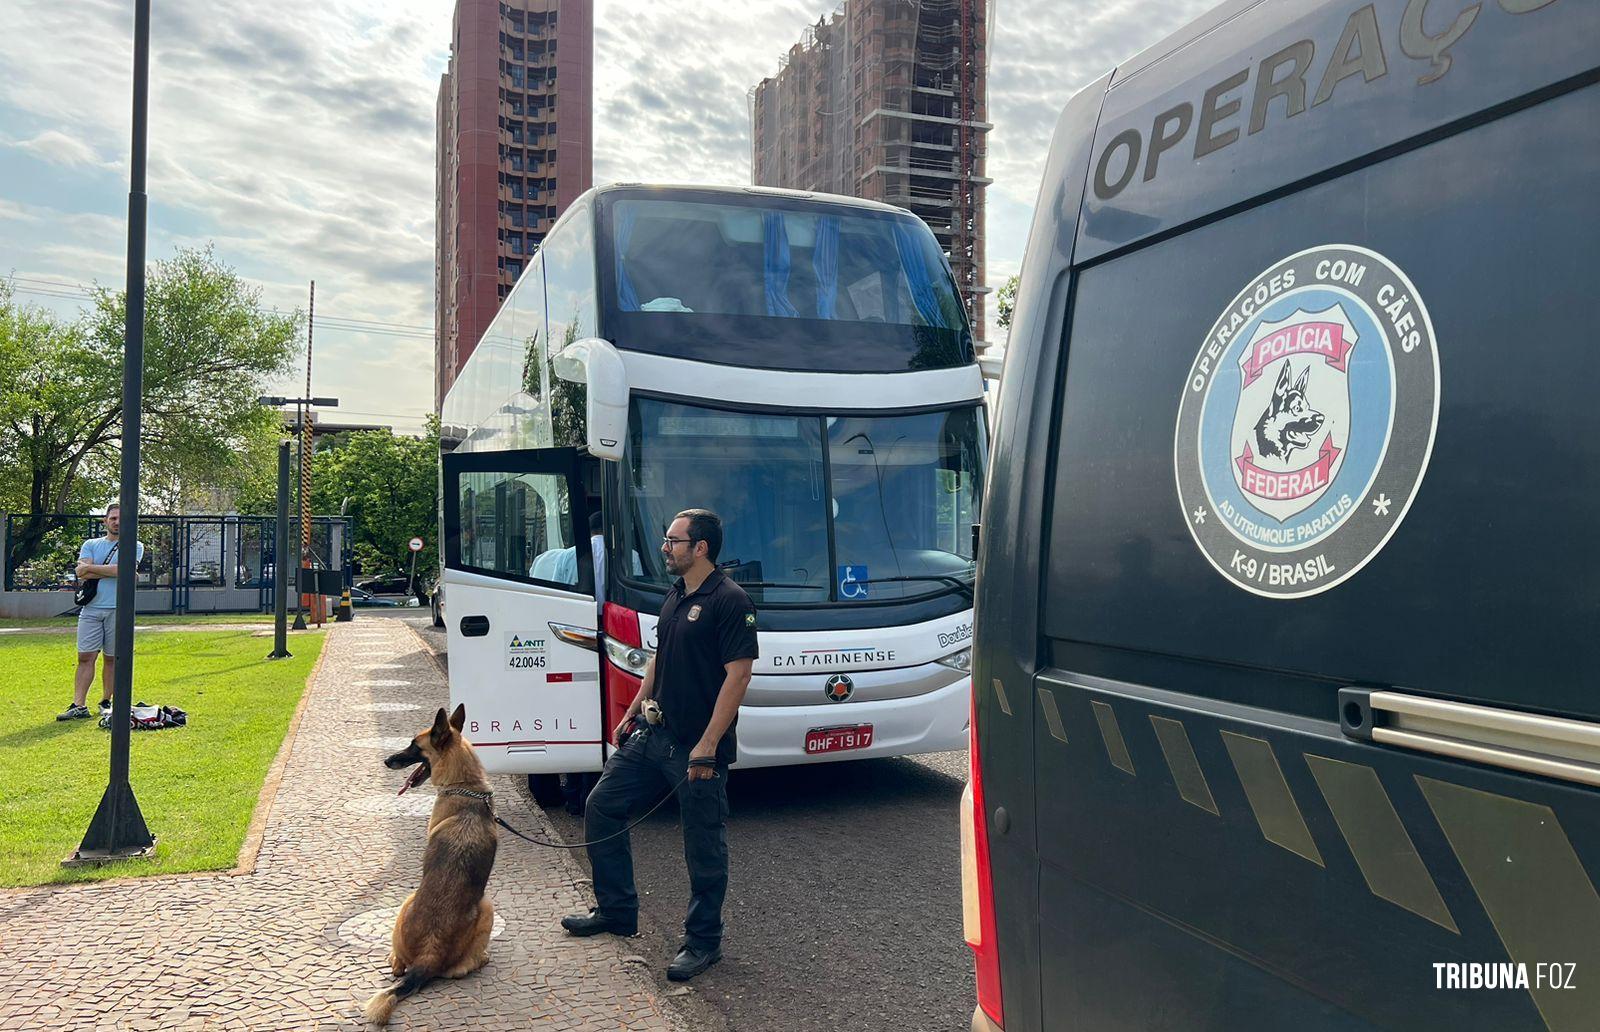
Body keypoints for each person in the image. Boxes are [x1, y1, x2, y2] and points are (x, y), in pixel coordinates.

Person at [561, 508, 758, 982]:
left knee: (703, 846)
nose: (665, 547)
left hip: (698, 747)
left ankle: (703, 941)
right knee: (601, 805)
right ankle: (617, 911)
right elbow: (659, 657)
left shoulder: (730, 600)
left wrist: (709, 744)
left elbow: (739, 675)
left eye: (673, 541)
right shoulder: (675, 594)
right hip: (655, 735)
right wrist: (633, 707)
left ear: (701, 548)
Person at [58, 504, 146, 721]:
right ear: (105, 521)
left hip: (119, 609)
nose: (117, 522)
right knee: (85, 657)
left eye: (121, 518)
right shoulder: (90, 544)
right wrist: (113, 571)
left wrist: (93, 569)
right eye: (113, 518)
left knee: (112, 658)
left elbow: (123, 571)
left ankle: (106, 701)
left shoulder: (134, 545)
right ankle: (78, 705)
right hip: (91, 609)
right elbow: (82, 573)